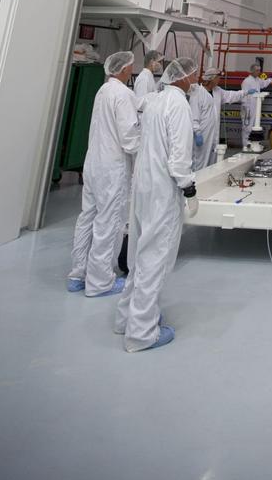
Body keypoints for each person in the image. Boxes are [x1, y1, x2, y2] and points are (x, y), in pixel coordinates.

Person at [114, 56, 198, 352]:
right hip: (163, 191)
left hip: (143, 187)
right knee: (155, 258)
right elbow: (179, 155)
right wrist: (188, 187)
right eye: (193, 74)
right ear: (183, 77)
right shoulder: (178, 105)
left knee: (139, 256)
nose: (194, 79)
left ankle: (126, 317)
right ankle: (141, 333)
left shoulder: (155, 101)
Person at [67, 50, 140, 297]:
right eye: (131, 65)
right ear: (123, 69)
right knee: (108, 222)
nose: (132, 68)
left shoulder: (103, 91)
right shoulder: (123, 94)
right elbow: (129, 137)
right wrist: (147, 153)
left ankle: (77, 274)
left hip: (93, 163)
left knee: (87, 217)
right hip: (113, 167)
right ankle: (99, 282)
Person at [197, 66, 253, 166]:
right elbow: (194, 116)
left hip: (214, 132)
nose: (219, 80)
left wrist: (245, 92)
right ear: (211, 79)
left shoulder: (217, 91)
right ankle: (197, 180)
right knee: (200, 159)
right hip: (202, 133)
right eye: (218, 78)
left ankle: (209, 178)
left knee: (213, 159)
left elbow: (230, 95)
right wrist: (197, 132)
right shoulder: (198, 93)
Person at [240, 62, 272, 147]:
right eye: (257, 70)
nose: (258, 72)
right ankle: (245, 144)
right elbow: (243, 94)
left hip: (255, 107)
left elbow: (264, 83)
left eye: (259, 70)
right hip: (248, 107)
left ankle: (252, 143)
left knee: (253, 125)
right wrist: (245, 108)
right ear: (252, 71)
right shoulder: (246, 81)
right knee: (247, 126)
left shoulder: (257, 80)